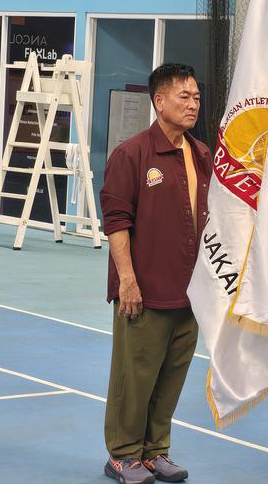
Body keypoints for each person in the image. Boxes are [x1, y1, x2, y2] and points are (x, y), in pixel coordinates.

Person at [99, 63, 209, 484]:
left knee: (171, 378)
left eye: (196, 96)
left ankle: (155, 451)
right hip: (143, 293)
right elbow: (117, 222)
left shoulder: (201, 155)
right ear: (158, 101)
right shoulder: (132, 154)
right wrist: (127, 280)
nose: (192, 103)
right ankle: (123, 454)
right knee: (134, 377)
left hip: (189, 294)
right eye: (183, 95)